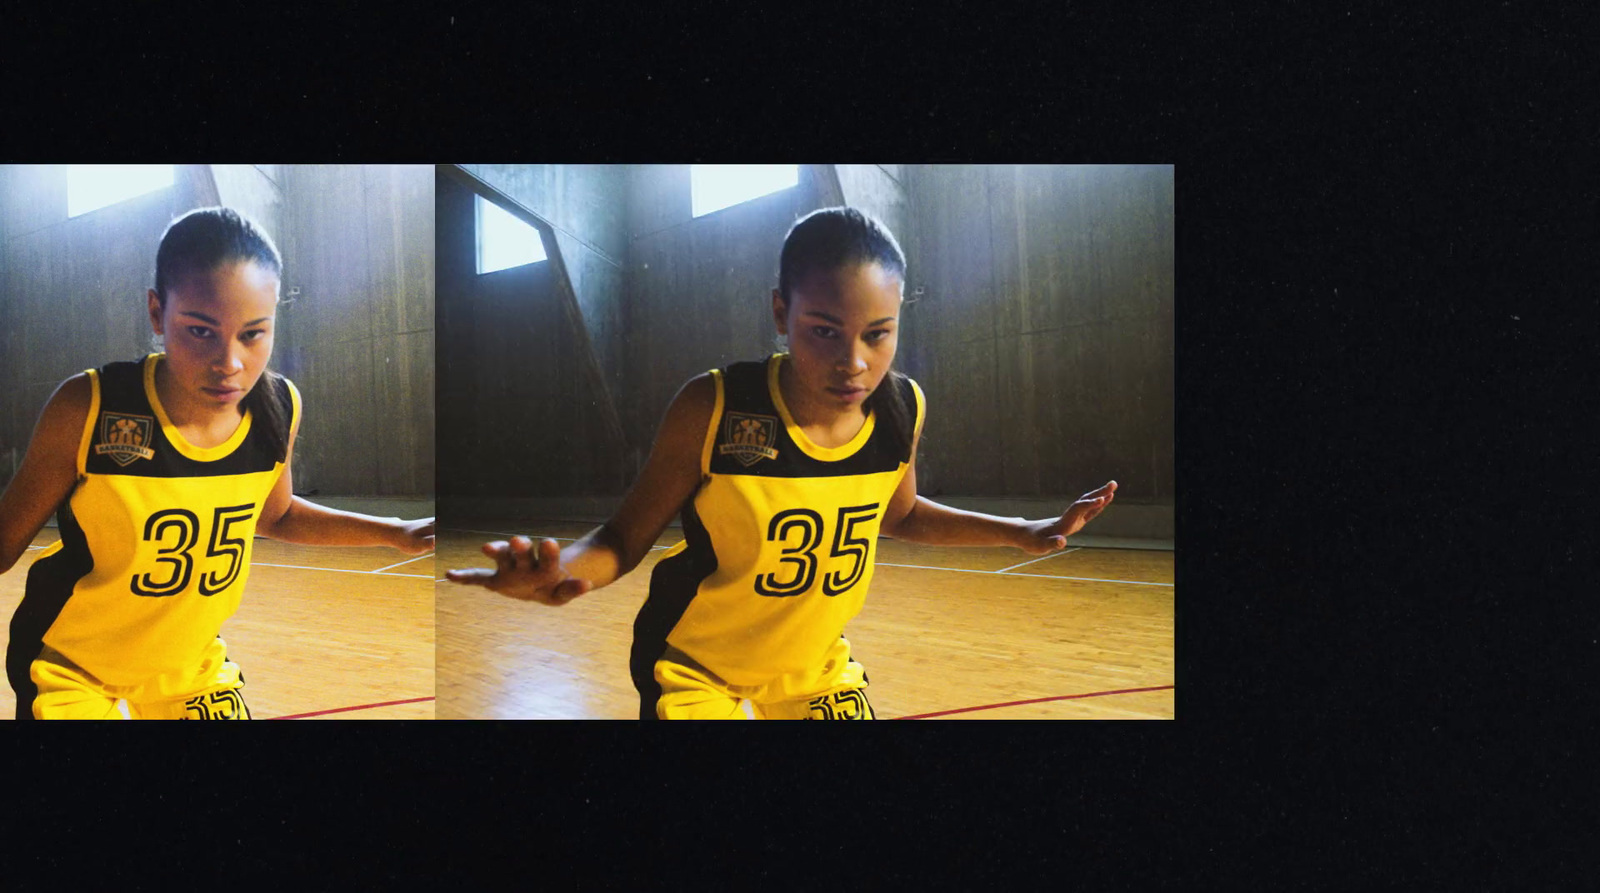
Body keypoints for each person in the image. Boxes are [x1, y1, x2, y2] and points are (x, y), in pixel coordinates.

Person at [447, 206, 1115, 720]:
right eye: (824, 330)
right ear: (780, 312)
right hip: (691, 664)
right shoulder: (714, 406)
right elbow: (623, 537)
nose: (854, 361)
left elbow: (901, 514)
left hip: (813, 668)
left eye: (878, 334)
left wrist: (1024, 531)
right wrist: (560, 571)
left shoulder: (902, 407)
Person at [0, 207, 434, 720]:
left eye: (253, 334)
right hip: (71, 663)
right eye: (201, 331)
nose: (230, 362)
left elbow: (276, 516)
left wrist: (396, 531)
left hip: (187, 664)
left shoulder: (279, 406)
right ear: (157, 313)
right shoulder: (90, 406)